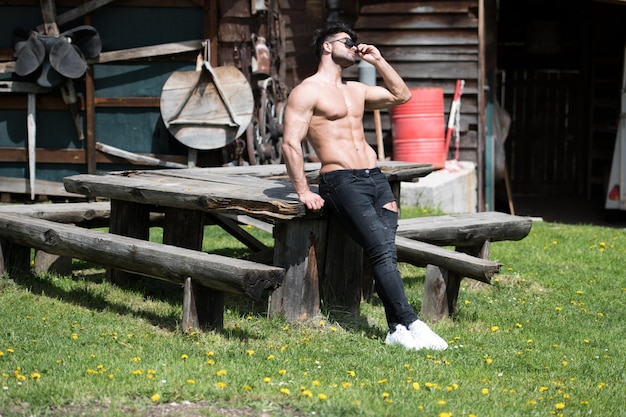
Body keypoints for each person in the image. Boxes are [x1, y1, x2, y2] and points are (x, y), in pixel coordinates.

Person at [281, 22, 448, 351]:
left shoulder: (355, 90)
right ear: (328, 47)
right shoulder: (306, 91)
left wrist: (379, 61)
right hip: (341, 180)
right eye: (348, 42)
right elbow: (290, 144)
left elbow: (402, 95)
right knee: (380, 250)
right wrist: (303, 190)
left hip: (375, 180)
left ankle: (395, 330)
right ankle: (411, 322)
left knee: (384, 252)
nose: (355, 46)